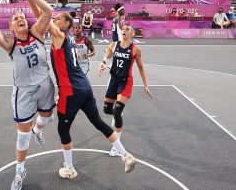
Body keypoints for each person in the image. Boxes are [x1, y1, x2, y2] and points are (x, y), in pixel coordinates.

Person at [43, 11, 137, 180]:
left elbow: (44, 18)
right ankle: (125, 155)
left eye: (57, 19)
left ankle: (70, 168)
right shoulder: (70, 37)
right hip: (84, 86)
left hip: (70, 90)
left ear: (65, 25)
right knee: (98, 122)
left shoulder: (59, 35)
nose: (54, 20)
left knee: (63, 128)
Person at [0, 0, 55, 190]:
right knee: (22, 136)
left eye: (22, 16)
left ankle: (39, 129)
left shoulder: (37, 33)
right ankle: (20, 170)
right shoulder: (11, 43)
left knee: (47, 116)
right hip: (24, 91)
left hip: (45, 84)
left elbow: (49, 12)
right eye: (15, 19)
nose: (20, 18)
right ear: (12, 28)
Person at [98, 24, 153, 157]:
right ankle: (118, 115)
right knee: (107, 110)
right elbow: (107, 56)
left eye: (128, 29)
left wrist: (146, 85)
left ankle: (117, 146)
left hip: (125, 82)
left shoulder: (135, 49)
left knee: (116, 111)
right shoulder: (113, 45)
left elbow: (140, 67)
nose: (124, 30)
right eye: (123, 29)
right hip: (113, 80)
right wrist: (103, 63)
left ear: (132, 34)